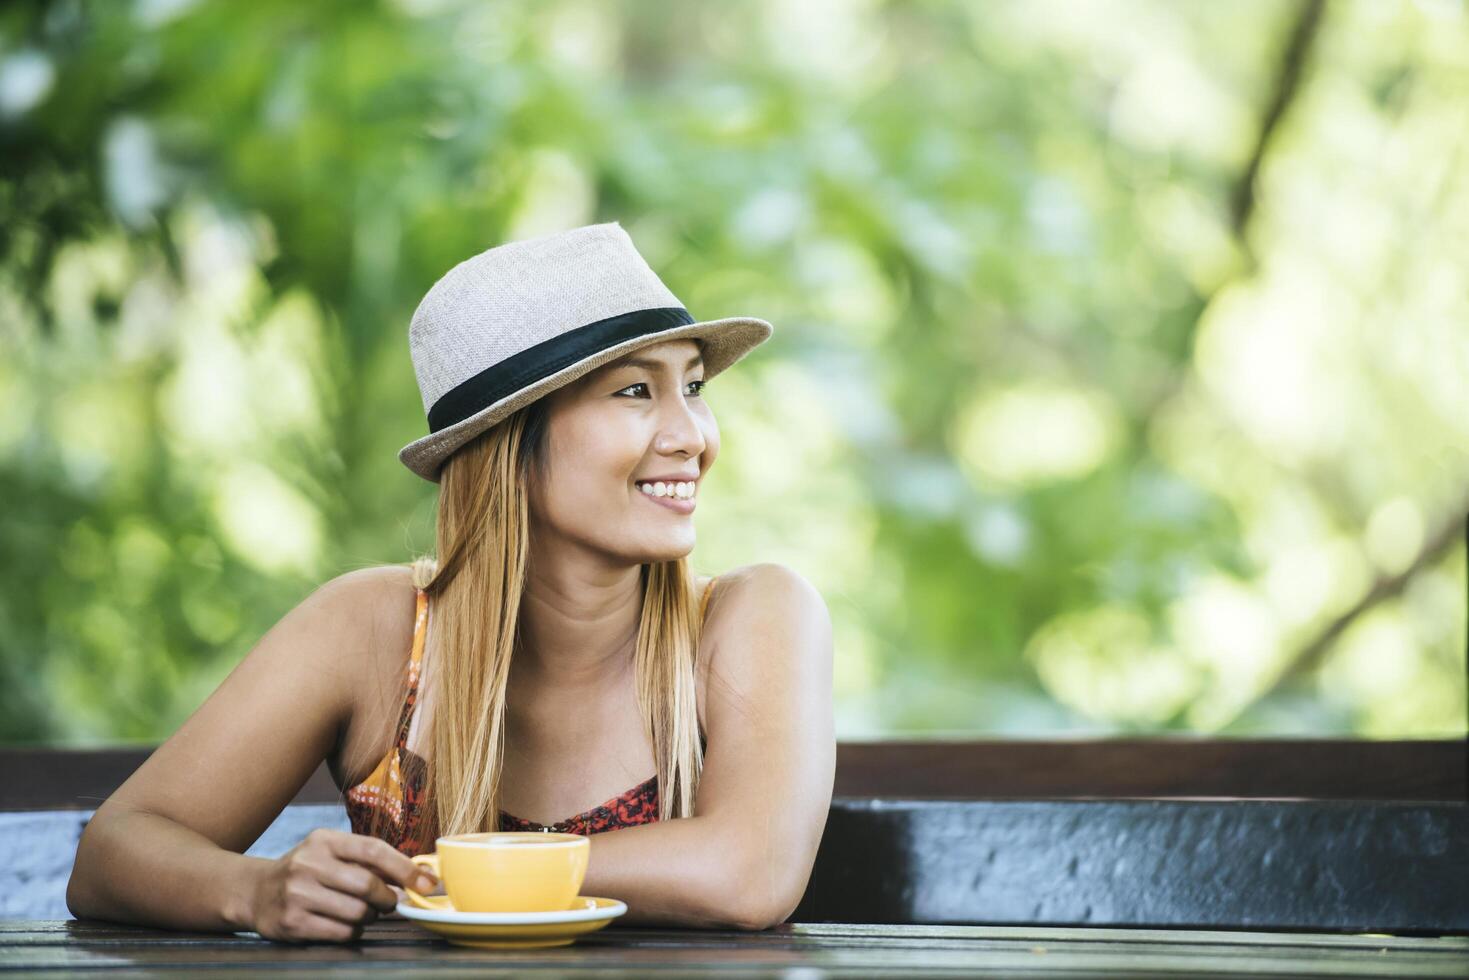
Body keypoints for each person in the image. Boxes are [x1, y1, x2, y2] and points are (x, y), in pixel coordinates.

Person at [65, 221, 836, 942]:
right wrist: (257, 891)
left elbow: (748, 873)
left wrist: (446, 874)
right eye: (635, 391)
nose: (692, 437)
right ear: (510, 445)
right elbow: (114, 852)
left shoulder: (755, 615)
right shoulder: (374, 629)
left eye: (693, 387)